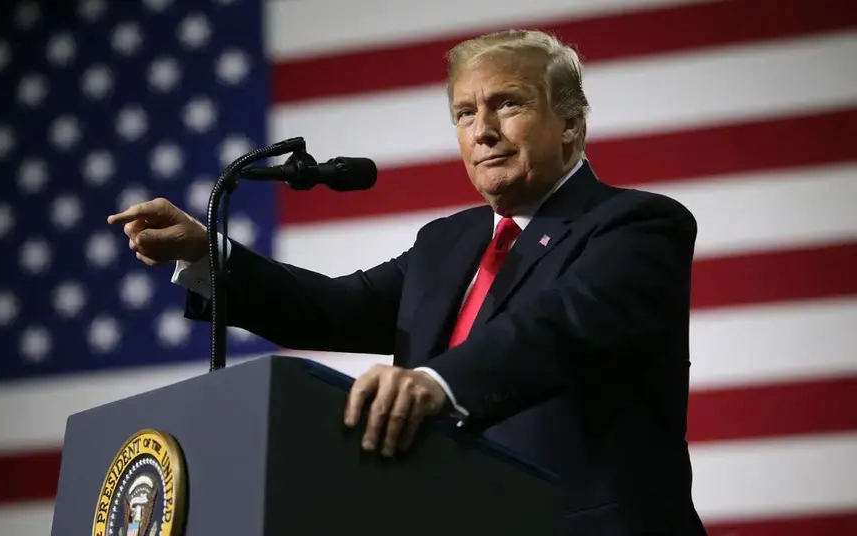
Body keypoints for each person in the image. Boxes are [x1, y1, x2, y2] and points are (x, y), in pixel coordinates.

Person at [108, 29, 707, 536]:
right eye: (465, 114)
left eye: (510, 104)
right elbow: (335, 309)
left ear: (572, 125)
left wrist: (436, 383)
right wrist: (210, 255)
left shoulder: (637, 226)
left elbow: (556, 329)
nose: (484, 130)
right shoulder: (448, 243)